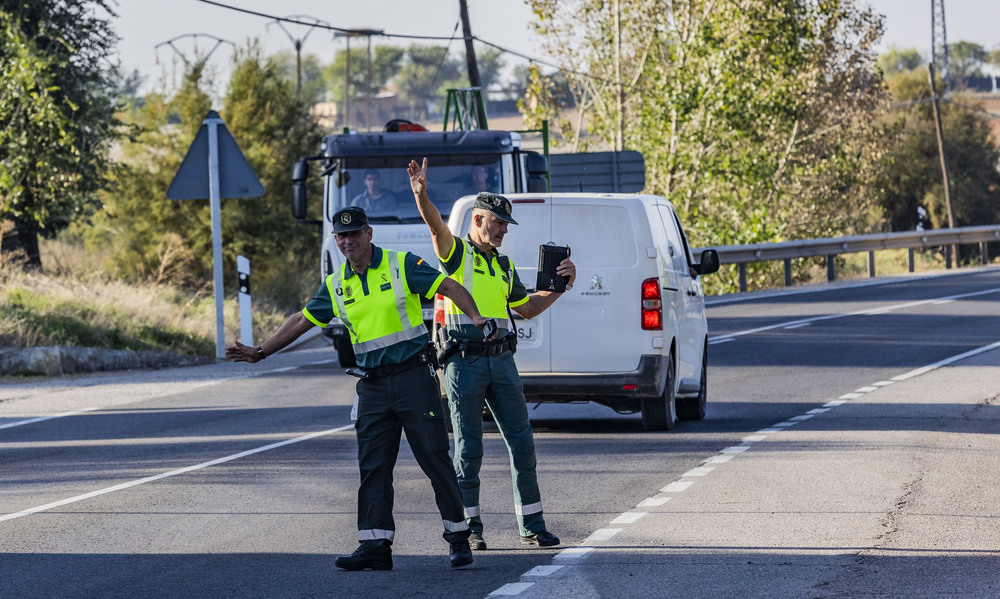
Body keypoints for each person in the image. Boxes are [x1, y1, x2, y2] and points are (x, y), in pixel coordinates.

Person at [226, 206, 493, 571]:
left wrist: (475, 315)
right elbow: (302, 320)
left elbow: (446, 285)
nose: (348, 241)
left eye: (354, 234)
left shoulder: (401, 264)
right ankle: (375, 546)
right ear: (336, 241)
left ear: (368, 233)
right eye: (342, 236)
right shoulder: (336, 284)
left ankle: (458, 538)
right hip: (371, 386)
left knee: (434, 457)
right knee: (373, 467)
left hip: (413, 377)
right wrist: (260, 352)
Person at [407, 157, 577, 551]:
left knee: (523, 443)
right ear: (479, 220)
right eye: (498, 223)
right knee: (469, 448)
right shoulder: (456, 253)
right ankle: (470, 527)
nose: (503, 231)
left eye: (506, 225)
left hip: (502, 360)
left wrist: (560, 286)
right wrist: (422, 196)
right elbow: (436, 227)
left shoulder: (502, 265)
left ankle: (532, 524)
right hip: (463, 361)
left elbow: (527, 308)